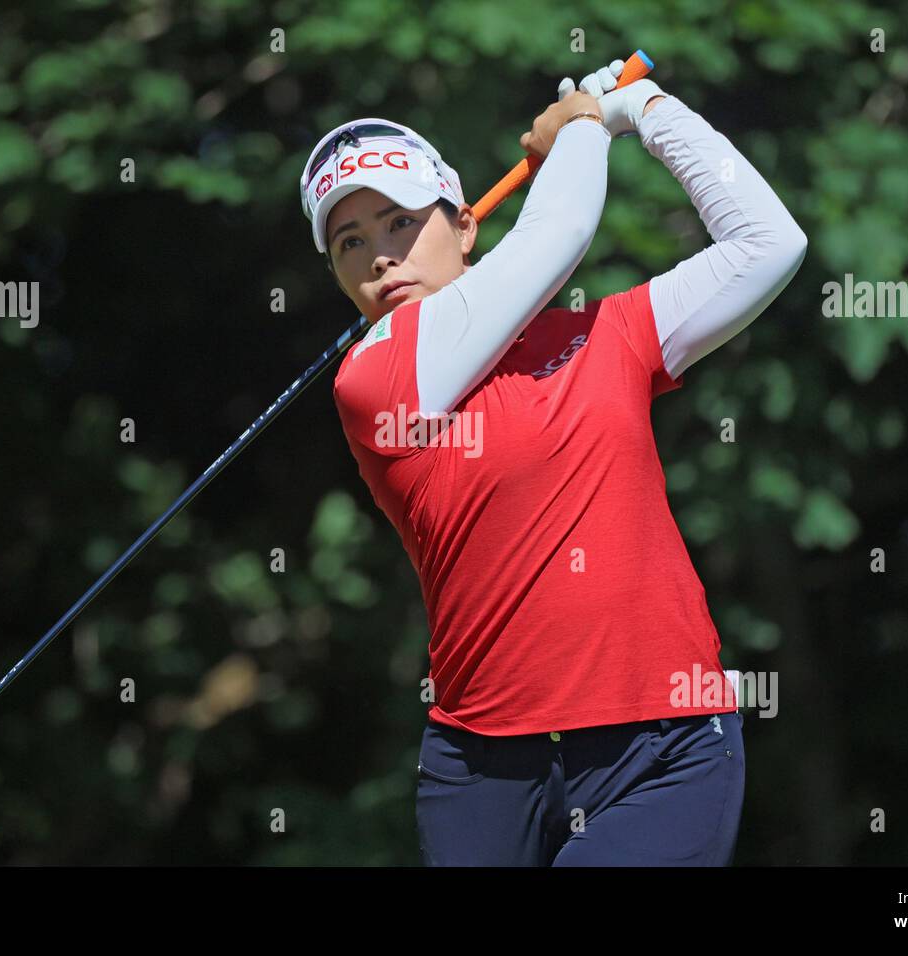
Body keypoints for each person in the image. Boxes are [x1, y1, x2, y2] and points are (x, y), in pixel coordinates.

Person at [298, 59, 807, 866]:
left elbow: (769, 244)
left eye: (399, 222)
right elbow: (559, 234)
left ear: (464, 224)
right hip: (482, 768)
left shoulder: (602, 334)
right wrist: (580, 123)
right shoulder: (375, 378)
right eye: (349, 242)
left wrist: (644, 107)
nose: (379, 258)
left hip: (666, 743)